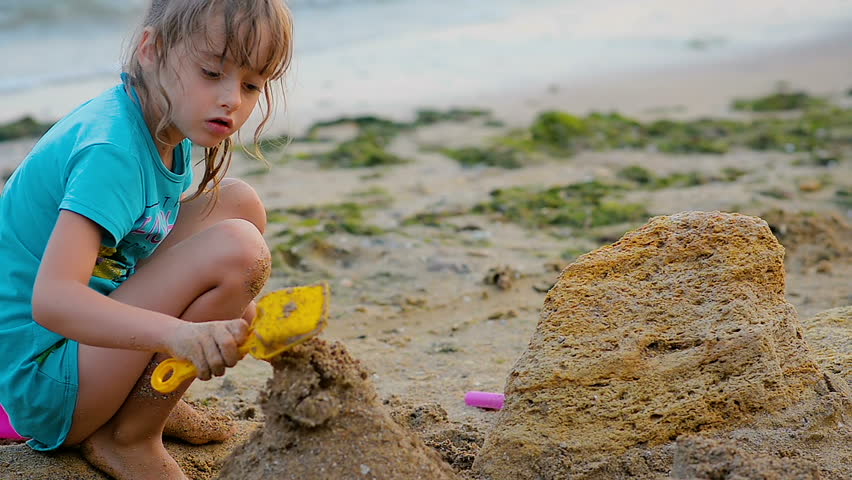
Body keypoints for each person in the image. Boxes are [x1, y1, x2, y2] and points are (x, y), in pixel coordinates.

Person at [0, 0, 294, 478]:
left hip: (85, 352)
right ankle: (128, 438)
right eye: (211, 72)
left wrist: (210, 321)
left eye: (251, 84)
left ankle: (140, 402)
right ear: (151, 50)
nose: (231, 100)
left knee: (240, 205)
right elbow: (52, 301)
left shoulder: (161, 122)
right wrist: (178, 334)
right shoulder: (112, 150)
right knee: (238, 250)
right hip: (48, 380)